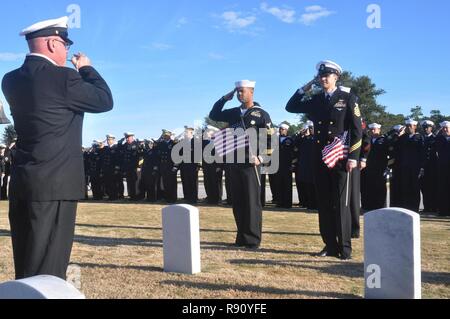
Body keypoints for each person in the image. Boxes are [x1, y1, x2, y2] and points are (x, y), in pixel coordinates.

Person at [1, 16, 113, 280]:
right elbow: (104, 100)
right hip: (55, 183)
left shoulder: (10, 80)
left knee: (27, 262)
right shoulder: (64, 78)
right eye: (65, 43)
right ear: (52, 43)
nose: (68, 50)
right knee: (49, 268)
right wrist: (86, 69)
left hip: (24, 182)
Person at [286, 60, 362, 260]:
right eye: (320, 76)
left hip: (340, 157)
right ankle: (329, 245)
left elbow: (357, 131)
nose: (323, 78)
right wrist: (306, 87)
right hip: (320, 157)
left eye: (327, 75)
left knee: (341, 204)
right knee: (324, 203)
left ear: (336, 77)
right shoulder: (317, 99)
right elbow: (291, 107)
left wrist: (353, 157)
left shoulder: (347, 98)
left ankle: (345, 248)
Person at [209, 80, 274, 249]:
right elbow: (214, 115)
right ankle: (241, 237)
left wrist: (262, 156)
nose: (239, 94)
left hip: (251, 162)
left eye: (242, 91)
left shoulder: (261, 114)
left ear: (251, 92)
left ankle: (252, 239)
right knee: (237, 201)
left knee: (252, 201)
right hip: (233, 160)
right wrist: (224, 98)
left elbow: (270, 138)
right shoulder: (233, 112)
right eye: (237, 92)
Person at [394, 120, 424, 212]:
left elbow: (423, 153)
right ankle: (406, 207)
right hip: (404, 166)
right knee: (405, 186)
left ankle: (414, 208)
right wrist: (398, 135)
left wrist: (422, 167)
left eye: (410, 125)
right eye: (407, 125)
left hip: (415, 167)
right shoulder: (402, 138)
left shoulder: (419, 137)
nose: (408, 127)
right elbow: (395, 148)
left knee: (415, 187)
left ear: (415, 126)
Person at [420, 120, 438, 213]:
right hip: (423, 167)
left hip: (432, 167)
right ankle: (427, 207)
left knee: (433, 187)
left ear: (431, 128)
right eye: (424, 127)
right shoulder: (420, 138)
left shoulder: (435, 139)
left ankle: (434, 207)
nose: (426, 129)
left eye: (428, 127)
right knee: (424, 188)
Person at [275, 124, 295, 209]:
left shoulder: (290, 140)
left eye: (282, 129)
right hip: (278, 165)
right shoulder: (275, 139)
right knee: (279, 184)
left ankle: (287, 203)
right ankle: (279, 202)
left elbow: (294, 153)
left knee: (287, 184)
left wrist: (293, 164)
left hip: (287, 165)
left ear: (286, 130)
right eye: (280, 129)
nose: (281, 130)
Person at [436, 121, 450, 216]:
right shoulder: (439, 139)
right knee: (443, 188)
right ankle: (443, 210)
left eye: (447, 127)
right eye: (443, 128)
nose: (445, 129)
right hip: (442, 167)